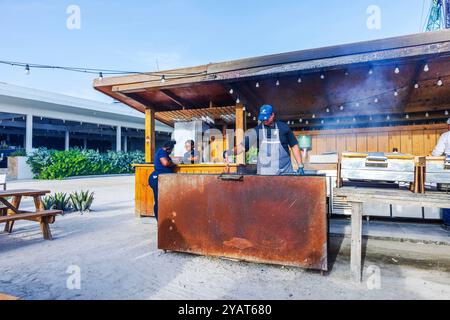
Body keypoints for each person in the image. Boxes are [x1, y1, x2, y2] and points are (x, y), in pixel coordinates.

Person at [226, 104, 304, 175]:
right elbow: (242, 147)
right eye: (263, 119)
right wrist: (229, 152)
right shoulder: (256, 131)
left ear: (272, 115)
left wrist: (300, 166)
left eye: (266, 118)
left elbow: (294, 146)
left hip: (285, 173)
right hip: (265, 176)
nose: (264, 121)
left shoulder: (283, 128)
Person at [148, 140, 177, 221]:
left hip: (161, 179)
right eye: (171, 149)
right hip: (157, 179)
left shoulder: (163, 152)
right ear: (168, 148)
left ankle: (162, 218)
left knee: (162, 200)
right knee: (159, 201)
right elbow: (165, 163)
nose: (171, 151)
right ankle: (159, 220)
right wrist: (173, 164)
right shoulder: (162, 152)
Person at [431, 118, 450, 230]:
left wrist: (432, 156)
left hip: (449, 165)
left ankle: (448, 223)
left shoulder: (446, 135)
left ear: (448, 126)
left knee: (447, 195)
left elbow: (437, 152)